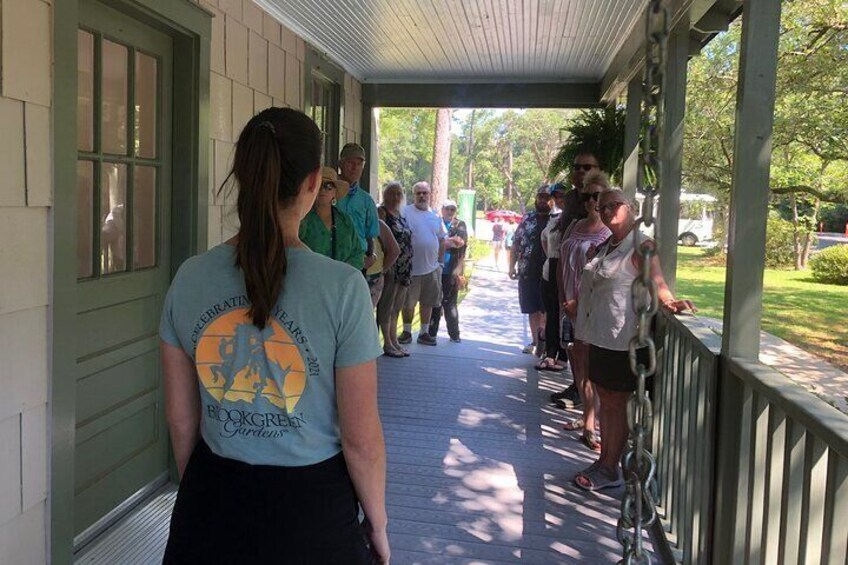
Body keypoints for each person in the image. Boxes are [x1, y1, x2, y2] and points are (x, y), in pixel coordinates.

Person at [159, 108, 390, 564]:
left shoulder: (190, 278)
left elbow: (181, 421)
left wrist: (206, 497)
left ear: (243, 176)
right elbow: (361, 442)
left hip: (211, 502)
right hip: (312, 514)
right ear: (310, 184)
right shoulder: (343, 288)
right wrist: (378, 524)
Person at [574, 189, 695, 491]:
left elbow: (658, 285)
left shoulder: (642, 247)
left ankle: (610, 467)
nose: (608, 210)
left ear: (631, 209)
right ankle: (605, 462)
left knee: (616, 402)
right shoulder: (607, 245)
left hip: (624, 339)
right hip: (600, 334)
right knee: (607, 400)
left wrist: (671, 303)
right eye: (603, 207)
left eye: (615, 205)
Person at [558, 171, 613, 452]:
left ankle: (593, 424)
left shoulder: (609, 234)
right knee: (577, 363)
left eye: (597, 196)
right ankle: (585, 417)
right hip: (567, 304)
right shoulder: (576, 225)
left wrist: (578, 302)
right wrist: (562, 297)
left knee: (591, 367)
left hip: (589, 308)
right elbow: (561, 260)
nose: (591, 201)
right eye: (586, 196)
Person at [549, 151, 600, 407]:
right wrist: (561, 293)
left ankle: (587, 403)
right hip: (565, 281)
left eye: (587, 167)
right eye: (577, 167)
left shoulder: (605, 205)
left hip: (589, 294)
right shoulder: (570, 199)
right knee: (569, 342)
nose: (581, 171)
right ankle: (576, 387)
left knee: (586, 349)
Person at [398, 182, 446, 346]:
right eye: (418, 193)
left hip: (431, 268)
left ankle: (424, 333)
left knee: (428, 302)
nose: (422, 196)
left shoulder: (435, 216)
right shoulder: (405, 212)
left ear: (430, 195)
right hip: (411, 268)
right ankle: (406, 331)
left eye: (425, 193)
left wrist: (440, 263)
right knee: (408, 303)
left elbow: (441, 239)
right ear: (414, 195)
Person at [509, 184, 554, 355]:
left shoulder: (557, 220)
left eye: (547, 198)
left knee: (546, 307)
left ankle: (546, 340)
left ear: (552, 201)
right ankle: (536, 341)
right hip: (527, 271)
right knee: (531, 307)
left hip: (549, 272)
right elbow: (515, 244)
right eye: (541, 197)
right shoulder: (527, 219)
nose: (543, 201)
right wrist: (511, 267)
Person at [536, 182, 572, 372]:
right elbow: (545, 239)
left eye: (563, 196)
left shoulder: (575, 219)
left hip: (566, 269)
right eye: (556, 196)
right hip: (550, 267)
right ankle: (550, 353)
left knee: (564, 313)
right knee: (551, 313)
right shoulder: (554, 218)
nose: (559, 200)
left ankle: (564, 355)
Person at [298, 167, 364, 270]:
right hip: (312, 279)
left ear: (335, 192)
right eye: (319, 185)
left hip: (342, 281)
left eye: (329, 186)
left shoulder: (345, 221)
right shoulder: (303, 220)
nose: (323, 190)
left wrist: (342, 273)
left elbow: (358, 254)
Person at [377, 181, 413, 358]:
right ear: (385, 195)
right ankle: (387, 343)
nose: (396, 197)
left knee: (397, 307)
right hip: (390, 267)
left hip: (404, 268)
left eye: (399, 193)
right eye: (392, 193)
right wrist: (384, 266)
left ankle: (394, 340)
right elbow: (378, 239)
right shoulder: (382, 213)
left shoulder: (401, 214)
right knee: (386, 306)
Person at [335, 142, 380, 272]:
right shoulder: (329, 193)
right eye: (350, 162)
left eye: (359, 164)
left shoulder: (366, 201)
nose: (355, 167)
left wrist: (371, 256)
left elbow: (370, 234)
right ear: (340, 164)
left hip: (358, 262)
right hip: (333, 259)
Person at [429, 199, 468, 343]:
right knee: (434, 302)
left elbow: (460, 242)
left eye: (453, 209)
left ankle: (454, 335)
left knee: (450, 304)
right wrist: (447, 242)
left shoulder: (459, 224)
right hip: (434, 268)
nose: (450, 212)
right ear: (442, 209)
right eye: (447, 209)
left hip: (452, 270)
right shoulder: (436, 222)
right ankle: (431, 334)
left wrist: (441, 242)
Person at [365, 219, 400, 307]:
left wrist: (382, 271)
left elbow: (394, 251)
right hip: (370, 276)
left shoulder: (377, 224)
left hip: (372, 277)